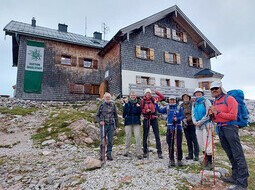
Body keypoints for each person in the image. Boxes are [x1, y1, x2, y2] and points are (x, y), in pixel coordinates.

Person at [209, 81, 249, 190]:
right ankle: (235, 176)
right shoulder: (215, 101)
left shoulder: (229, 99)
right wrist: (212, 115)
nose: (214, 90)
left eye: (216, 88)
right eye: (212, 89)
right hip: (221, 128)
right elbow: (216, 117)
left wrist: (217, 113)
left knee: (238, 154)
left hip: (230, 128)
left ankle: (242, 183)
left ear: (221, 88)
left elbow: (233, 116)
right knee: (230, 154)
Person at [156, 96, 185, 167]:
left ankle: (179, 159)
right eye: (171, 100)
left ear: (175, 100)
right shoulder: (167, 108)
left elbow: (183, 116)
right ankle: (171, 159)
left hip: (178, 127)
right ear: (169, 101)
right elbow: (159, 111)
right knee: (170, 144)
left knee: (178, 144)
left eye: (173, 100)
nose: (172, 101)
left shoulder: (179, 108)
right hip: (169, 127)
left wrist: (177, 119)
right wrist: (156, 104)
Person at [192, 88, 213, 170]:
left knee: (208, 143)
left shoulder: (206, 101)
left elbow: (208, 114)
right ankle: (205, 159)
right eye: (196, 93)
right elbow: (192, 113)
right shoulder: (194, 103)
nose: (198, 94)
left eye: (199, 92)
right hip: (198, 125)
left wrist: (200, 121)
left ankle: (209, 162)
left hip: (206, 124)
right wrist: (195, 122)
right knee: (201, 143)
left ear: (202, 93)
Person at [141, 88, 165, 159]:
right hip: (146, 118)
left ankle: (159, 152)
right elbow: (141, 109)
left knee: (157, 135)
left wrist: (156, 92)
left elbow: (162, 97)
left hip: (154, 118)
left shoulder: (154, 99)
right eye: (147, 93)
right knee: (145, 135)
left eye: (149, 93)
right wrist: (145, 110)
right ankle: (145, 152)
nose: (148, 94)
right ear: (145, 94)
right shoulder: (142, 101)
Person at [96, 92, 118, 161]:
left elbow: (116, 115)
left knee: (110, 141)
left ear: (110, 98)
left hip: (111, 125)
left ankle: (109, 154)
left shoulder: (113, 105)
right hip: (103, 126)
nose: (108, 98)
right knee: (102, 141)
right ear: (104, 98)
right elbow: (97, 115)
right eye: (106, 97)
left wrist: (116, 125)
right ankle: (102, 154)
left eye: (109, 97)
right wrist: (100, 121)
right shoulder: (101, 105)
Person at [123, 91, 142, 159]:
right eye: (132, 95)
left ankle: (139, 153)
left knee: (138, 137)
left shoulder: (138, 102)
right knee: (128, 136)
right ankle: (126, 151)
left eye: (134, 95)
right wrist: (126, 104)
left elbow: (139, 113)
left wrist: (139, 107)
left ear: (135, 96)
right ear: (130, 96)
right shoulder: (127, 102)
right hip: (128, 121)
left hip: (136, 121)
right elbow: (124, 112)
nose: (133, 97)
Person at [181, 93, 199, 161]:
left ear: (189, 98)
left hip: (192, 124)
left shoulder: (192, 104)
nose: (185, 98)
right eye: (184, 97)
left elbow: (193, 114)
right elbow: (180, 113)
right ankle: (190, 154)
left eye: (187, 97)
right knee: (188, 140)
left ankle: (196, 155)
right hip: (185, 125)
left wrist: (187, 119)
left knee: (194, 140)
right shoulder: (182, 105)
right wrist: (183, 119)